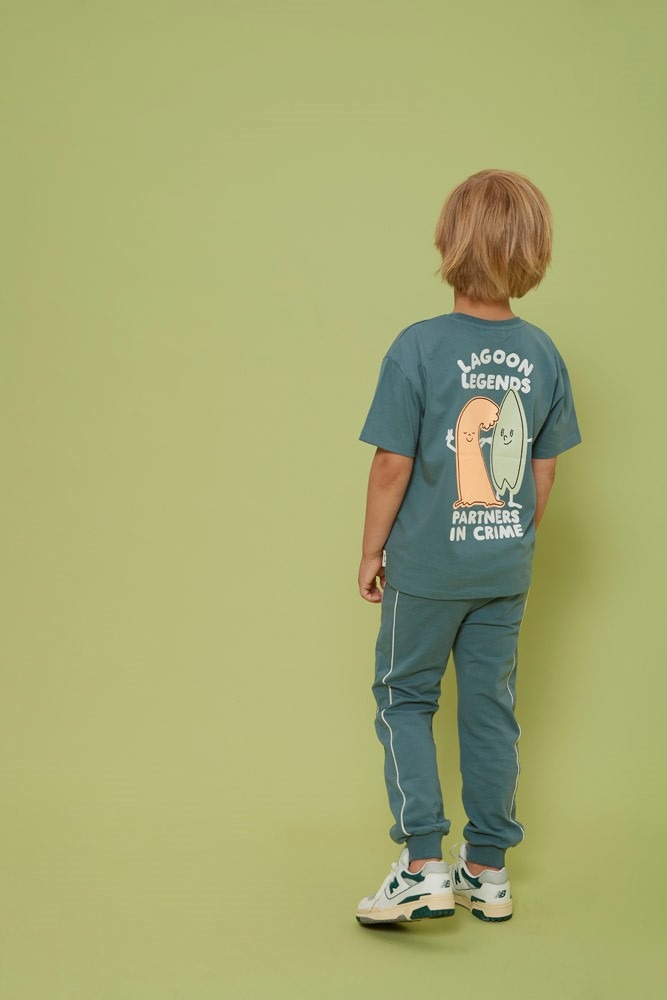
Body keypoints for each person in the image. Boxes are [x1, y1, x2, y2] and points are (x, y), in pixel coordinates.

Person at [355, 169, 581, 925]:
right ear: (533, 252)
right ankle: (486, 870)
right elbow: (543, 469)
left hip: (425, 568)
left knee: (405, 698)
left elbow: (391, 464)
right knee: (489, 710)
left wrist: (371, 551)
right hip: (503, 568)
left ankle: (423, 864)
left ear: (448, 244)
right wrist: (511, 542)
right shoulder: (543, 353)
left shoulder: (417, 347)